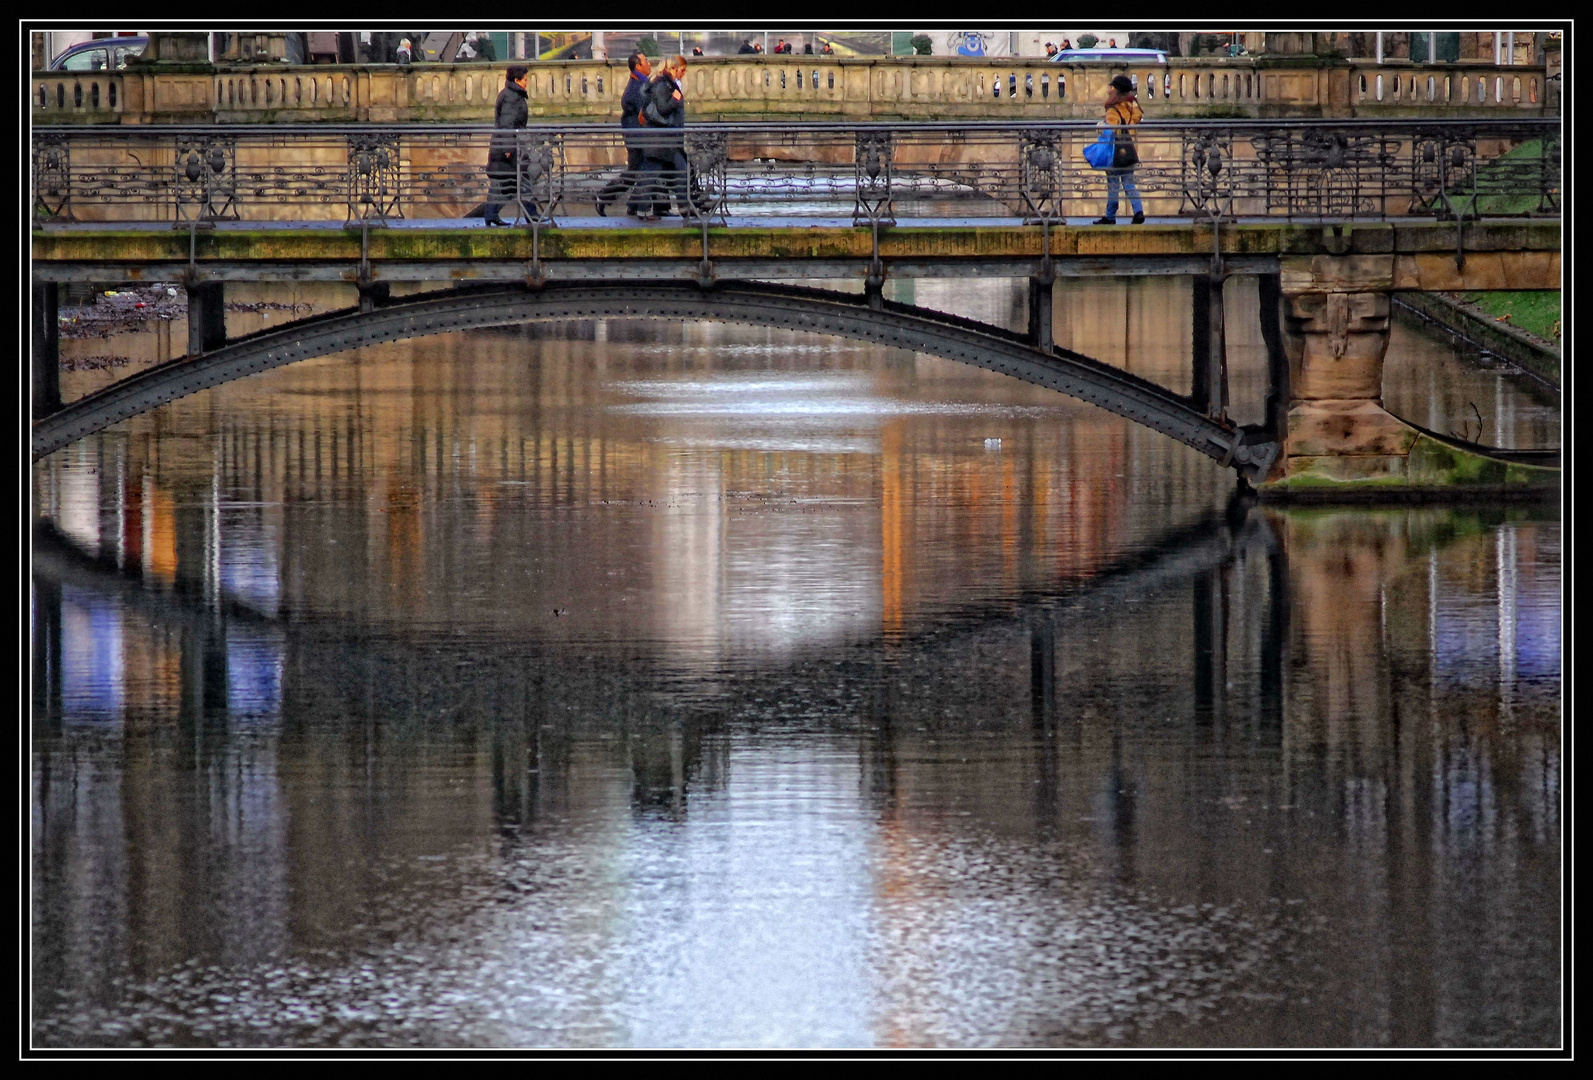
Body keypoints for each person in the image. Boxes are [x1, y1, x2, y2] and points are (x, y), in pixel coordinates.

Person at [638, 55, 709, 219]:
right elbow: (663, 108)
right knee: (670, 173)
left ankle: (683, 208)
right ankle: (681, 208)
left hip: (662, 139)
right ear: (673, 68)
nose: (683, 74)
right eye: (682, 70)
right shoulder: (663, 84)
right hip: (663, 139)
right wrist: (676, 100)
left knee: (665, 173)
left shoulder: (662, 82)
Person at [597, 52, 658, 219]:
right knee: (639, 172)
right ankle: (606, 196)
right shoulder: (638, 86)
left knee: (637, 172)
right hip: (638, 137)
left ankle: (631, 205)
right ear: (638, 66)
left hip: (637, 135)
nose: (649, 64)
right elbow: (646, 112)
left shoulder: (640, 83)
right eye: (646, 61)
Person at [483, 64, 530, 226]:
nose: (527, 82)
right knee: (522, 180)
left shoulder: (510, 94)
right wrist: (509, 147)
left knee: (502, 182)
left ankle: (491, 214)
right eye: (524, 79)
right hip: (508, 148)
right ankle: (533, 215)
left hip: (503, 146)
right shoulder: (512, 97)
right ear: (517, 80)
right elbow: (507, 124)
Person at [1095, 74, 1144, 225]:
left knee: (1113, 184)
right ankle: (1138, 211)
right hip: (1130, 150)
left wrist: (1100, 126)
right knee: (1129, 182)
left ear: (1116, 90)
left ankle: (1110, 215)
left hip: (1115, 151)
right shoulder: (1133, 106)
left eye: (1112, 87)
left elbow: (1111, 130)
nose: (1109, 89)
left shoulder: (1113, 109)